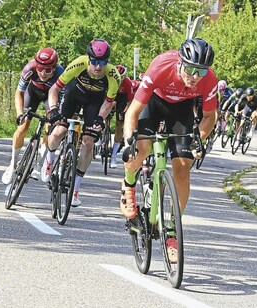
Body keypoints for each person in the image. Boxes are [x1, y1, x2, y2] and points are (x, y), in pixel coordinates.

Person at [121, 38, 217, 263]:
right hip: (153, 104)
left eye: (200, 72)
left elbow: (209, 117)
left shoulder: (208, 81)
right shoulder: (160, 67)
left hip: (181, 110)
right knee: (141, 149)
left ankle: (172, 231)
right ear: (180, 63)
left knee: (183, 168)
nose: (194, 77)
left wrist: (198, 140)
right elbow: (133, 112)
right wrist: (128, 141)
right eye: (191, 69)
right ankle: (129, 185)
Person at [40, 39, 122, 207]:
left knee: (88, 143)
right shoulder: (78, 63)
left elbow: (108, 102)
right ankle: (49, 161)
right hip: (73, 95)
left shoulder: (113, 75)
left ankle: (75, 189)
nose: (98, 67)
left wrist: (100, 118)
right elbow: (54, 89)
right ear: (88, 58)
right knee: (58, 131)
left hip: (95, 102)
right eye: (94, 62)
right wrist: (54, 109)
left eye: (103, 62)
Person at [1, 47, 64, 185]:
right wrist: (19, 113)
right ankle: (12, 164)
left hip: (51, 96)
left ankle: (39, 164)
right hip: (33, 92)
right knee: (22, 128)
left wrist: (56, 115)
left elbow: (62, 97)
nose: (43, 73)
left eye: (48, 70)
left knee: (51, 129)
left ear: (54, 68)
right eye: (40, 68)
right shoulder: (29, 68)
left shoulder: (61, 73)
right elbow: (19, 93)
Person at [109, 65, 140, 169]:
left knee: (119, 126)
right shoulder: (110, 78)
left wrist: (125, 111)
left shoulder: (127, 82)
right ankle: (102, 135)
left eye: (122, 77)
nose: (120, 79)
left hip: (123, 99)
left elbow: (130, 100)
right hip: (111, 95)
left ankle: (113, 156)